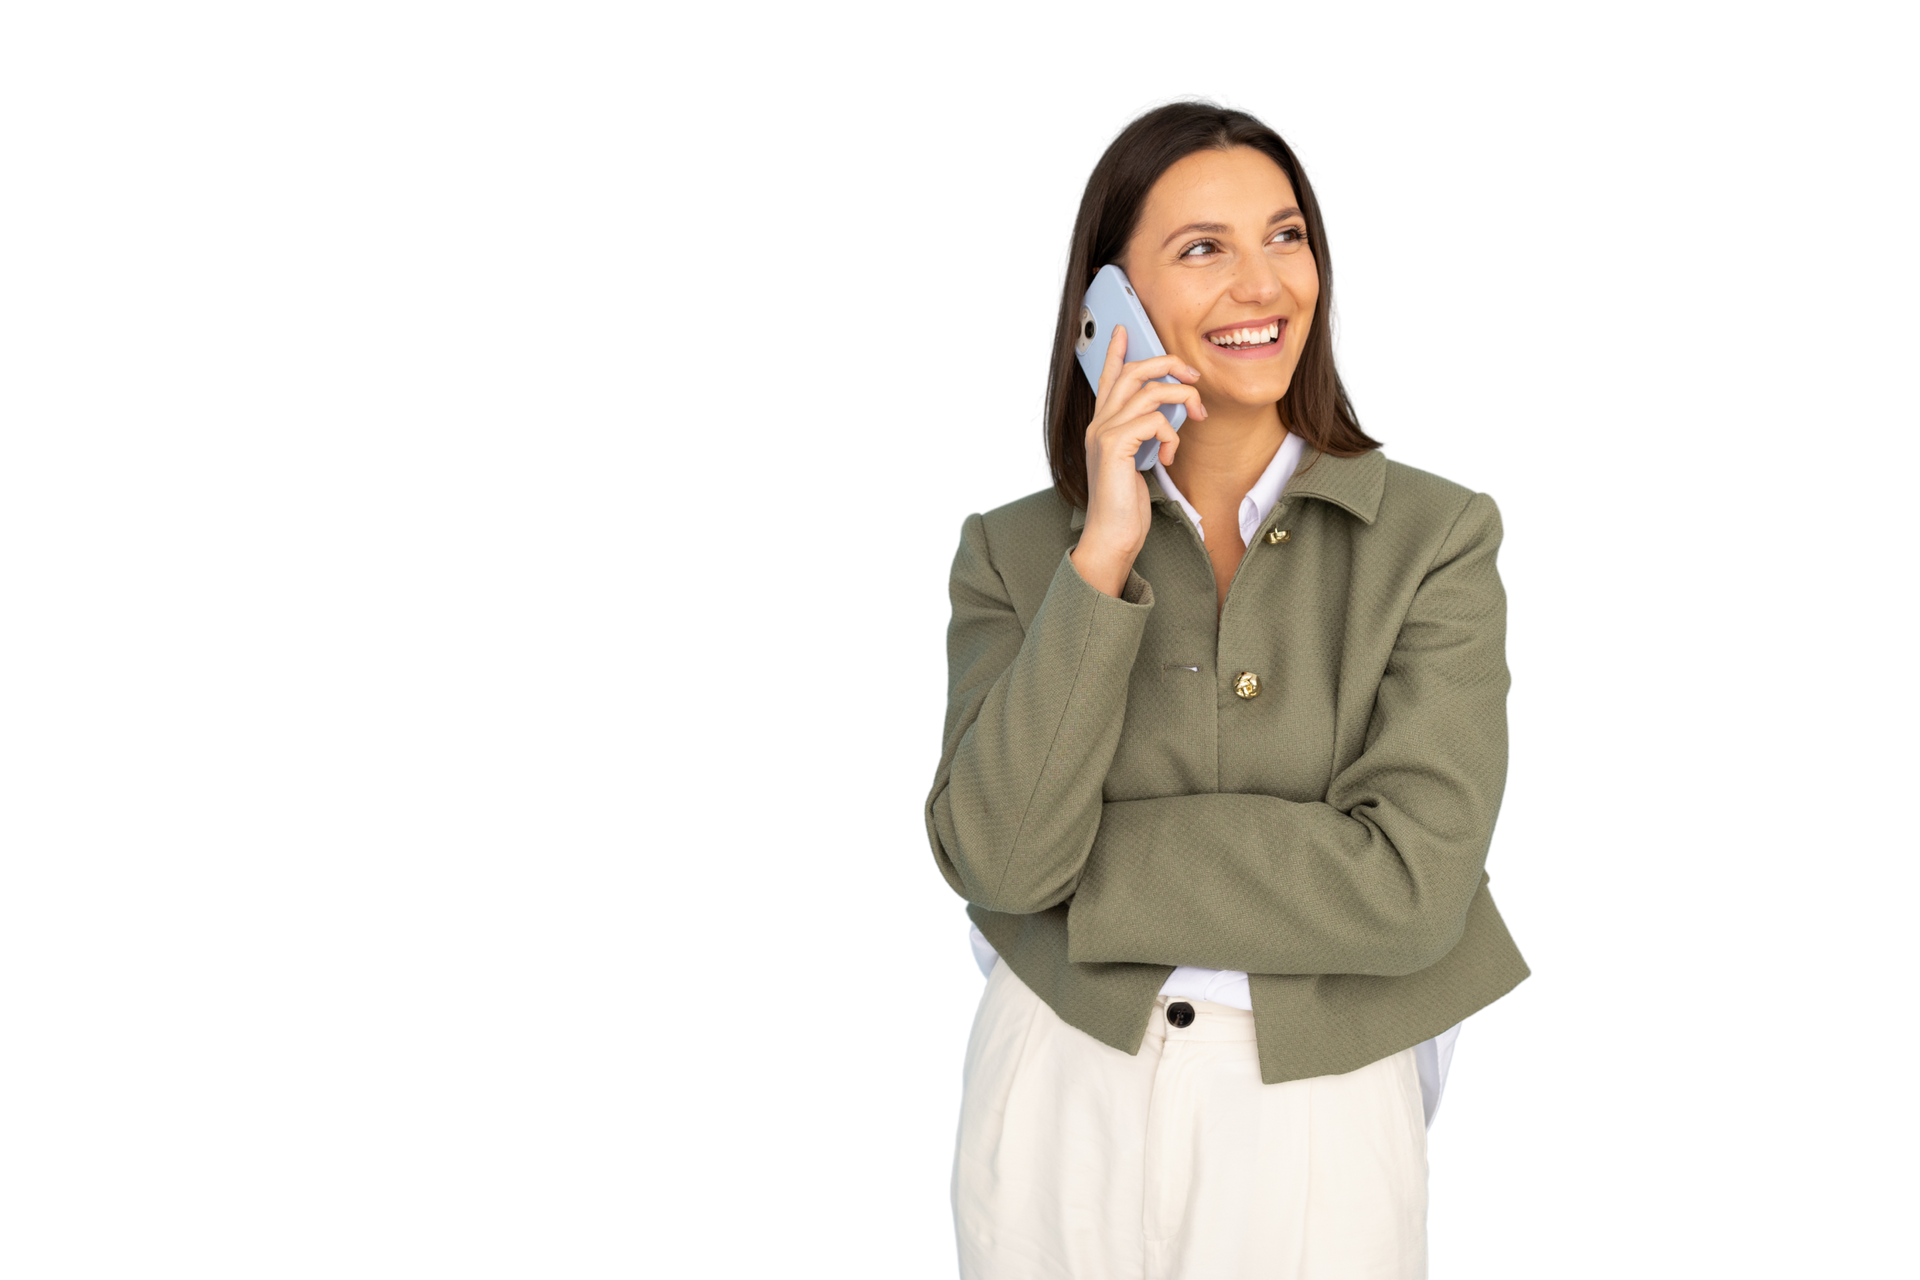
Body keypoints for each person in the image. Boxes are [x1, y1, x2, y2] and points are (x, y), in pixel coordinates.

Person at [921, 94, 1534, 1280]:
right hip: (1053, 1090)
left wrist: (1073, 885)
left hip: (1316, 1106)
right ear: (1112, 309)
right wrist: (1100, 550)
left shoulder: (1441, 535)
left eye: (1286, 235)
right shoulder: (1007, 550)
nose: (1263, 285)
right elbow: (997, 857)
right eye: (1202, 249)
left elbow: (1411, 887)